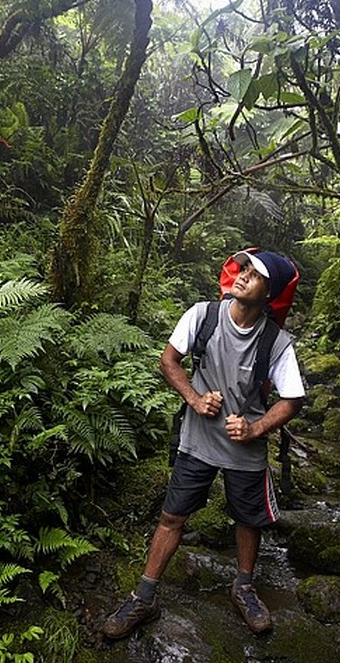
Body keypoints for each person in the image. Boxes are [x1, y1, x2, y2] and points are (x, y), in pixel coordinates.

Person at [101, 250, 305, 639]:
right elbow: (169, 361)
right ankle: (144, 596)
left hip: (244, 446)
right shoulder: (203, 315)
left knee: (248, 519)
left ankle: (243, 587)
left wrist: (256, 428)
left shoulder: (276, 342)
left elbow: (293, 398)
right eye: (242, 269)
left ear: (269, 293)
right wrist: (195, 399)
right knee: (172, 516)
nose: (243, 276)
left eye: (255, 275)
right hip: (197, 438)